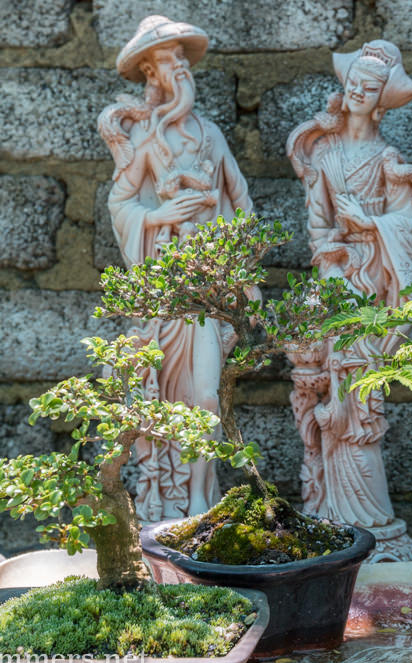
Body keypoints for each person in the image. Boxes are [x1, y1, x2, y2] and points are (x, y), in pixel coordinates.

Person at [287, 40, 412, 559]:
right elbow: (316, 227)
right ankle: (331, 513)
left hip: (374, 283)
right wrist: (337, 244)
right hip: (335, 283)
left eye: (369, 86)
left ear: (380, 100)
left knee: (363, 393)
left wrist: (371, 225)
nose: (357, 90)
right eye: (353, 80)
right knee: (332, 388)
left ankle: (370, 519)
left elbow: (411, 228)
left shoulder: (387, 159)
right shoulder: (325, 156)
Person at [98, 16, 252, 522]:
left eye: (183, 57)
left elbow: (241, 201)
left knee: (205, 395)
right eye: (170, 58)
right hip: (163, 294)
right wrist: (158, 216)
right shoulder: (145, 139)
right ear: (150, 70)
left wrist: (235, 261)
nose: (180, 66)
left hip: (204, 294)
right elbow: (120, 203)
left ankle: (201, 500)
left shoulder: (208, 135)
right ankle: (165, 503)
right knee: (158, 403)